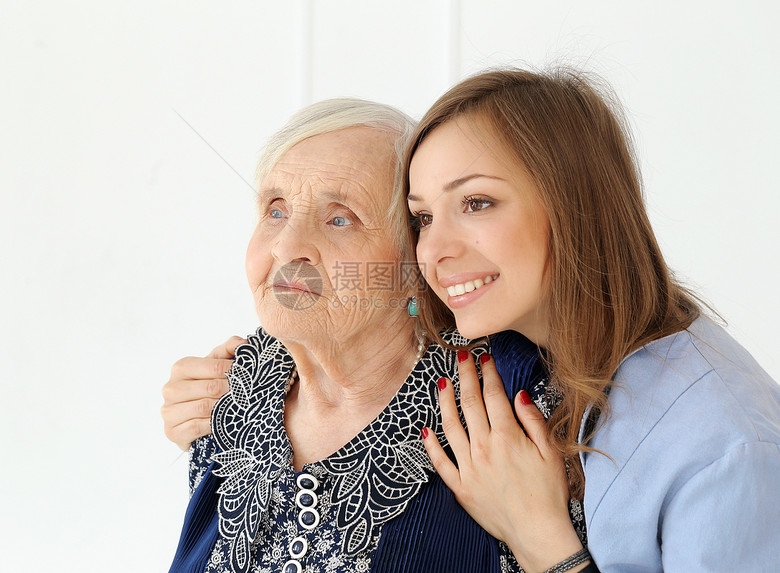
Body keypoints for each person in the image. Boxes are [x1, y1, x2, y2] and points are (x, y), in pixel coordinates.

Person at [165, 98, 589, 573]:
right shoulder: (237, 385)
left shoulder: (512, 397)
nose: (286, 247)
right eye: (276, 210)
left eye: (340, 218)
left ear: (415, 263)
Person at [406, 68, 780, 571]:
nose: (433, 251)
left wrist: (538, 537)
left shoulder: (724, 445)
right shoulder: (542, 362)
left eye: (477, 203)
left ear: (574, 205)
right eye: (423, 218)